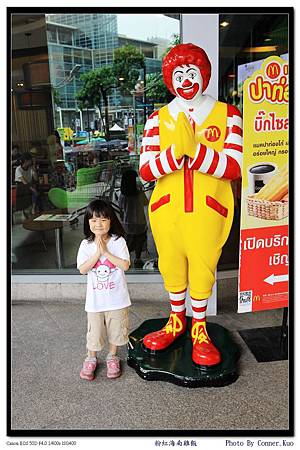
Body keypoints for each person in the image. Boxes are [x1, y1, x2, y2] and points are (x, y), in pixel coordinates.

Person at [139, 43, 243, 367]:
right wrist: (175, 155)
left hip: (208, 211)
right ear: (170, 79)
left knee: (202, 268)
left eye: (192, 72)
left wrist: (196, 153)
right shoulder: (157, 120)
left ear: (204, 74)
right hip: (167, 210)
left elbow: (234, 167)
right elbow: (146, 169)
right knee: (171, 267)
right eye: (179, 74)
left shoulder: (229, 115)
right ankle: (175, 321)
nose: (186, 80)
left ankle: (199, 329)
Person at [77, 199, 131, 381]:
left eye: (103, 219)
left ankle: (112, 356)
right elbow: (83, 269)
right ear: (88, 223)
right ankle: (91, 358)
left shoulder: (118, 241)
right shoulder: (86, 244)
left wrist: (106, 252)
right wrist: (97, 253)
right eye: (93, 220)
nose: (98, 224)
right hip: (95, 302)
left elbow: (125, 265)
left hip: (118, 299)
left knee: (116, 330)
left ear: (111, 221)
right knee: (95, 331)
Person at [118, 169, 148, 268]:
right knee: (140, 240)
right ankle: (138, 259)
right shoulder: (139, 193)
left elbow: (121, 206)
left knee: (129, 242)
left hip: (128, 223)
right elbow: (145, 202)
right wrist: (141, 190)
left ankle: (126, 258)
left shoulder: (123, 195)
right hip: (140, 222)